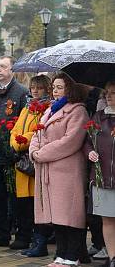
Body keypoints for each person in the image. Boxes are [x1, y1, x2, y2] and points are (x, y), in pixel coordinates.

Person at [30, 72, 89, 267]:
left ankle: (72, 256)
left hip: (67, 170)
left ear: (69, 89)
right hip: (48, 169)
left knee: (69, 215)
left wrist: (42, 153)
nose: (55, 91)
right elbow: (37, 133)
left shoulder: (78, 111)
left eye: (60, 87)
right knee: (56, 216)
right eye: (53, 87)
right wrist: (33, 151)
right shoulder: (50, 110)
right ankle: (61, 255)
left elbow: (70, 141)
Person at [0, 55, 28, 248]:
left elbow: (23, 121)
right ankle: (1, 233)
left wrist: (15, 148)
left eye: (3, 66)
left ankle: (22, 234)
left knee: (17, 198)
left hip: (13, 153)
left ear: (12, 69)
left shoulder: (20, 92)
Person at [10, 74, 53, 254]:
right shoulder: (27, 107)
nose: (35, 91)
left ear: (46, 89)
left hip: (34, 159)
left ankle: (38, 238)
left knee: (37, 203)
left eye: (39, 88)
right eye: (33, 87)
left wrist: (22, 140)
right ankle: (23, 236)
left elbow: (39, 132)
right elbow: (15, 129)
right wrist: (15, 140)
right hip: (22, 160)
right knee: (23, 204)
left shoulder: (47, 108)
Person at [86, 80, 115, 267]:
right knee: (108, 219)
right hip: (102, 176)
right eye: (107, 93)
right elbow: (87, 139)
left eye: (113, 93)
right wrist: (89, 151)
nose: (109, 96)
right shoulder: (98, 116)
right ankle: (113, 257)